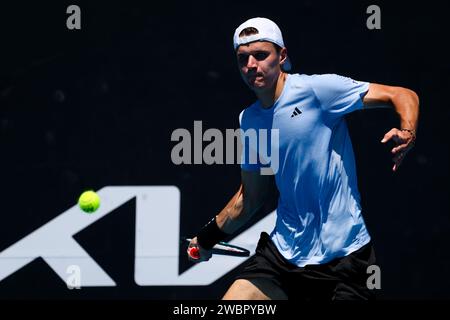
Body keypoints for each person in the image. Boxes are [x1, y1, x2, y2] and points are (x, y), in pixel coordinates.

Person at [187, 17, 419, 300]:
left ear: (282, 56)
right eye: (243, 58)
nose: (251, 65)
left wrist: (407, 130)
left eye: (261, 55)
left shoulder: (318, 91)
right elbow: (250, 197)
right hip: (282, 257)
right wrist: (208, 237)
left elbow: (402, 95)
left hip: (345, 259)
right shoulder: (249, 120)